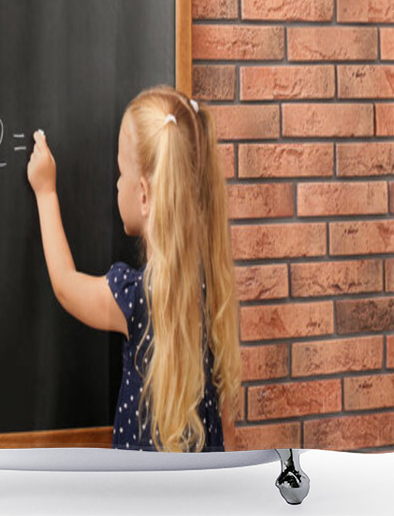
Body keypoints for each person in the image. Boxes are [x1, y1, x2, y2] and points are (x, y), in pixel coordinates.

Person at [26, 84, 242, 452]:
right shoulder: (212, 289)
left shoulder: (136, 297)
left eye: (120, 172)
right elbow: (227, 430)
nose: (116, 183)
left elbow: (66, 285)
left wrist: (46, 193)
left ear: (143, 194)